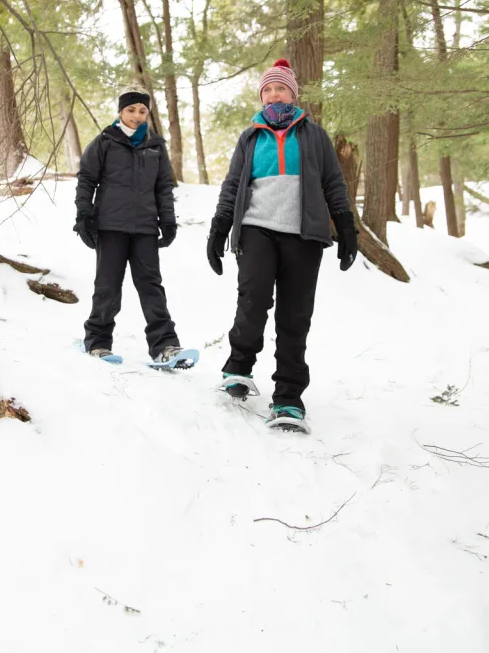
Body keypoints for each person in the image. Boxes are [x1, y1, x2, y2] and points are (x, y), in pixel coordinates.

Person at [206, 60, 358, 431]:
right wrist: (218, 228)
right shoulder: (250, 137)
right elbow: (232, 186)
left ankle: (288, 398)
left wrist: (347, 228)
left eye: (281, 89)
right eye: (268, 90)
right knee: (253, 300)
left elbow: (334, 183)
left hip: (304, 235)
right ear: (262, 96)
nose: (275, 95)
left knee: (294, 316)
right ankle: (238, 370)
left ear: (293, 94)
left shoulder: (315, 136)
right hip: (257, 228)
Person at [75, 90, 184, 364]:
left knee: (151, 286)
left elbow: (164, 187)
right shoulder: (105, 142)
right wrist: (84, 214)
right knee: (108, 286)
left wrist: (168, 220)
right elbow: (87, 179)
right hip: (110, 226)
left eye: (142, 111)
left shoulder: (155, 146)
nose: (137, 115)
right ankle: (98, 342)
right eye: (131, 110)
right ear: (121, 112)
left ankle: (165, 345)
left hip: (145, 228)